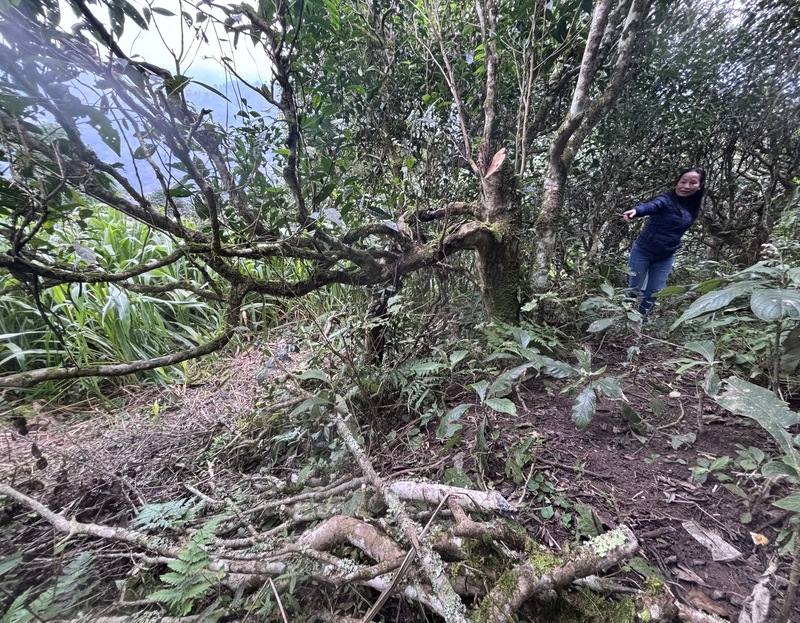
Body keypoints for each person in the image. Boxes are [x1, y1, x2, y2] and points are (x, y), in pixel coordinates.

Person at [622, 167, 705, 317]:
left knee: (655, 292)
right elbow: (653, 205)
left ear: (700, 186)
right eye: (683, 181)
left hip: (666, 256)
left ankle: (641, 321)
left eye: (692, 183)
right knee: (633, 289)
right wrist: (637, 211)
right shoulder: (666, 199)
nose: (686, 186)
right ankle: (625, 318)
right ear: (677, 182)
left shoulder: (693, 206)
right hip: (643, 251)